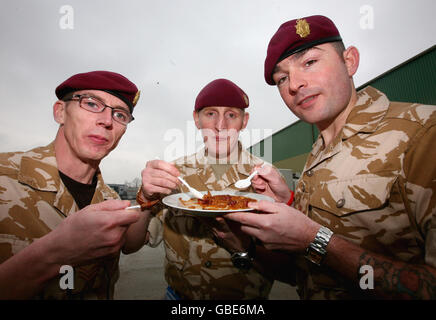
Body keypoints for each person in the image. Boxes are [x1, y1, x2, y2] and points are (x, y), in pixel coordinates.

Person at [225, 15, 436, 299]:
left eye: (309, 62)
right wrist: (286, 203)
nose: (294, 85)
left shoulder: (423, 136)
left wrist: (315, 240)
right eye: (282, 78)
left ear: (349, 61)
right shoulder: (317, 154)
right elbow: (306, 275)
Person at [137, 78, 294, 299]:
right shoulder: (173, 174)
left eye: (231, 115)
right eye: (210, 114)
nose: (221, 126)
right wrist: (144, 198)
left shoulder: (265, 178)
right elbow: (134, 242)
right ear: (196, 119)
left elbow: (291, 268)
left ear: (244, 121)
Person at [0, 70, 147, 299]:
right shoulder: (4, 178)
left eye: (120, 115)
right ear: (60, 112)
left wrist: (147, 196)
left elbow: (131, 244)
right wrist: (54, 254)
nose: (106, 121)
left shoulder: (111, 200)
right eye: (91, 103)